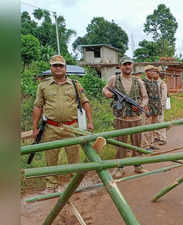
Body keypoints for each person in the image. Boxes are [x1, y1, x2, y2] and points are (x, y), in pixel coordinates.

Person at [33, 55, 94, 193]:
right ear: (51, 68)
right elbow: (37, 106)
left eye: (61, 65)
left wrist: (90, 122)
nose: (58, 68)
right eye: (55, 65)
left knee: (74, 157)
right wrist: (34, 127)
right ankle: (51, 186)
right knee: (50, 158)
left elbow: (85, 102)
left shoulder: (75, 84)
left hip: (71, 127)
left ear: (65, 68)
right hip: (50, 127)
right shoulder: (43, 85)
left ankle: (75, 185)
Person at [102, 56, 149, 177]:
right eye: (125, 64)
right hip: (120, 118)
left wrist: (140, 106)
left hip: (136, 118)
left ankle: (138, 165)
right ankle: (119, 168)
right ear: (120, 66)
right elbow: (105, 88)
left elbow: (145, 97)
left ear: (132, 66)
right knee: (120, 144)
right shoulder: (114, 79)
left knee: (137, 144)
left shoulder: (138, 81)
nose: (127, 67)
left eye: (129, 64)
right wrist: (106, 93)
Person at [142, 65, 163, 150]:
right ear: (146, 72)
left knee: (153, 127)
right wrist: (145, 107)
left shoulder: (155, 82)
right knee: (147, 127)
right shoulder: (143, 82)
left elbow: (158, 95)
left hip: (156, 107)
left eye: (153, 71)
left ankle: (151, 143)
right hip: (148, 107)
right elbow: (143, 96)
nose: (152, 72)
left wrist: (159, 107)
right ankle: (145, 145)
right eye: (149, 71)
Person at [153, 66, 168, 145]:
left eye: (154, 72)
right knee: (154, 122)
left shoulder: (162, 83)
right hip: (153, 106)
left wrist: (161, 105)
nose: (152, 74)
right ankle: (156, 137)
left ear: (158, 74)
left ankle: (163, 138)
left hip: (159, 106)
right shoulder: (152, 82)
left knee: (160, 122)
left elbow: (164, 96)